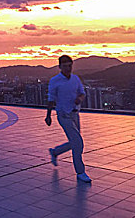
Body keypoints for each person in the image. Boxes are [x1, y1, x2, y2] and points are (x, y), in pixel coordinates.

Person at [45, 55, 91, 183]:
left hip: (75, 114)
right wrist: (48, 116)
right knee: (78, 143)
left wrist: (79, 99)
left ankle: (55, 152)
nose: (68, 68)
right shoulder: (55, 81)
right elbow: (51, 99)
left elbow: (82, 93)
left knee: (74, 141)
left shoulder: (75, 79)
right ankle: (80, 172)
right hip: (64, 115)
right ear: (60, 67)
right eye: (65, 66)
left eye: (70, 65)